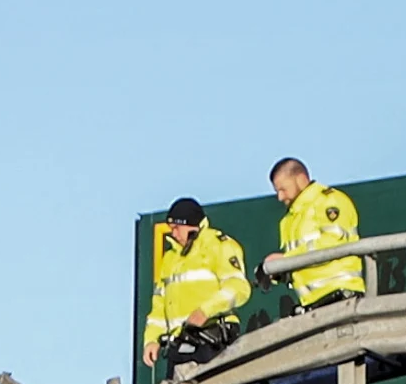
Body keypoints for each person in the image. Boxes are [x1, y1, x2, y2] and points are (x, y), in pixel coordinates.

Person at [140, 198, 249, 373]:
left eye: (177, 228)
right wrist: (151, 340)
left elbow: (238, 288)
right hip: (179, 345)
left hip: (212, 338)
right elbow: (159, 307)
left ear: (192, 225)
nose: (174, 234)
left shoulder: (219, 245)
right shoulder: (169, 259)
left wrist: (205, 311)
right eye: (171, 228)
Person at [269, 159, 367, 313]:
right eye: (277, 191)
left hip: (341, 299)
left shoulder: (329, 201)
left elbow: (334, 242)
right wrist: (278, 272)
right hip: (312, 305)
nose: (280, 197)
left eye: (283, 189)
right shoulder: (288, 220)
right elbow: (302, 264)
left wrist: (286, 259)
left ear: (301, 179)